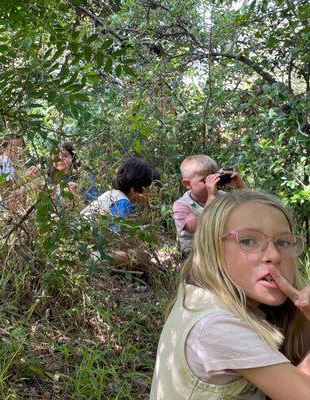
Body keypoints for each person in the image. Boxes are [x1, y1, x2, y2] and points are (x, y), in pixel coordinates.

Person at [150, 190, 310, 399]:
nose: (274, 255)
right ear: (212, 249)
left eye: (283, 242)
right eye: (248, 241)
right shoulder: (216, 326)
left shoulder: (202, 296)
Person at [173, 154, 246, 256]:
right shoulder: (181, 205)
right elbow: (196, 226)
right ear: (187, 184)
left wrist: (240, 186)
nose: (212, 183)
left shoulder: (222, 196)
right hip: (194, 254)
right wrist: (211, 198)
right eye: (205, 180)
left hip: (218, 251)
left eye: (214, 178)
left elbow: (247, 206)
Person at [81, 157, 158, 222]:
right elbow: (120, 231)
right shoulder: (122, 202)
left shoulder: (113, 195)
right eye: (149, 189)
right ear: (134, 189)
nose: (153, 194)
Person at [47, 141, 99, 207]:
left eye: (65, 155)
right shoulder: (51, 180)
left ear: (72, 157)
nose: (60, 159)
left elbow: (96, 199)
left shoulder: (84, 174)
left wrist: (79, 190)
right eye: (56, 156)